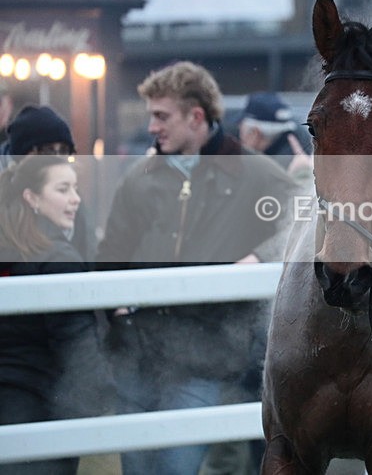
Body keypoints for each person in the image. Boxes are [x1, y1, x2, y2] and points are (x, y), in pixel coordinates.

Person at [96, 61, 298, 475]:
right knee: (136, 472)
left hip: (203, 358)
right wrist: (113, 305)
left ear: (196, 116)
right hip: (136, 354)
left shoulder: (253, 171)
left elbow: (305, 217)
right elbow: (110, 254)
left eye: (161, 116)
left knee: (174, 470)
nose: (151, 127)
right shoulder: (139, 178)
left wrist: (259, 257)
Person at [0, 155, 111, 475]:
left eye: (75, 188)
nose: (75, 199)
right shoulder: (57, 257)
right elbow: (76, 342)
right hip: (40, 404)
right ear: (32, 198)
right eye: (63, 189)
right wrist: (98, 401)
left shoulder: (15, 247)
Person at [3, 105, 96, 264]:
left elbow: (88, 255)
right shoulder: (7, 202)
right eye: (48, 150)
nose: (57, 158)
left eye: (64, 150)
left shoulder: (74, 203)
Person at [236, 91, 313, 181]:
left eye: (241, 125)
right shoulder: (303, 148)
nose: (239, 129)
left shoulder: (270, 173)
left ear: (255, 133)